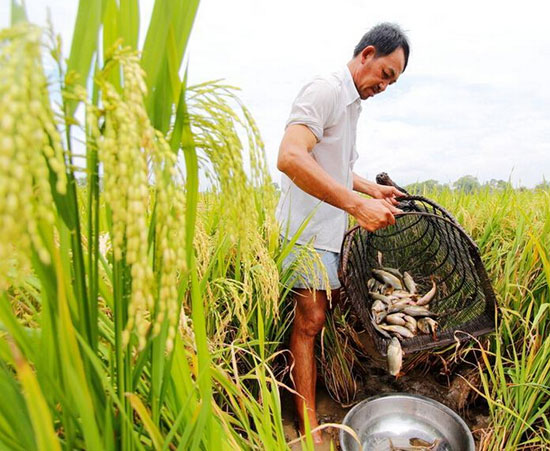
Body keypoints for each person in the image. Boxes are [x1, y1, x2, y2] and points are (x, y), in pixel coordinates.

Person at [276, 23, 410, 444]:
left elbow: (333, 167)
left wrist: (370, 188)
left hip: (328, 232)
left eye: (394, 82)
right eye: (386, 75)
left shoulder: (352, 106)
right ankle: (306, 421)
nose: (385, 86)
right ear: (367, 54)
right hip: (304, 229)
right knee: (311, 320)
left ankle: (297, 392)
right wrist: (356, 205)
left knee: (317, 315)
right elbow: (291, 156)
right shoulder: (326, 89)